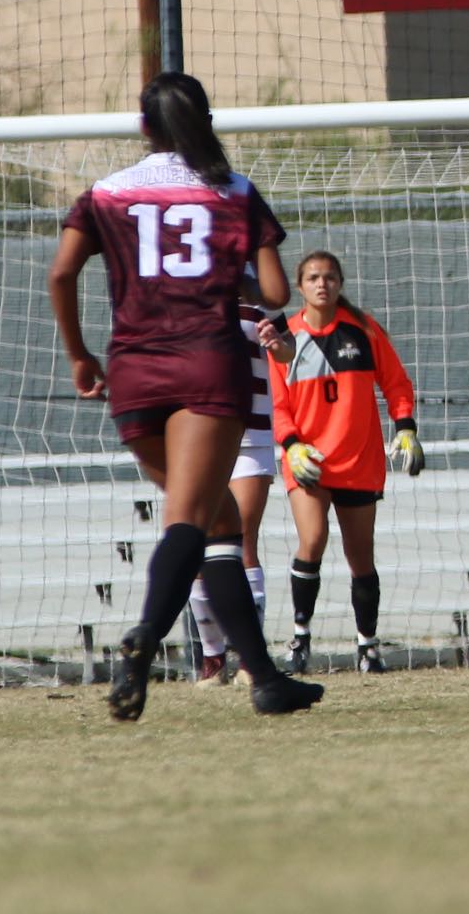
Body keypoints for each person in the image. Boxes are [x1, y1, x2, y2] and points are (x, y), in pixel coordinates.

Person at [45, 72, 325, 720]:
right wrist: (230, 273)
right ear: (204, 119)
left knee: (220, 521)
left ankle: (264, 679)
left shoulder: (106, 193)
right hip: (206, 367)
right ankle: (145, 635)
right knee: (190, 519)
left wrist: (81, 356)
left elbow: (61, 273)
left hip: (133, 371)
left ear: (144, 127)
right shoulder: (233, 191)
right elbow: (278, 295)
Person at [270, 251, 425, 675]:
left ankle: (367, 646)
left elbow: (396, 383)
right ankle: (300, 640)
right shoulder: (283, 336)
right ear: (300, 286)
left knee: (361, 555)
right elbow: (278, 403)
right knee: (313, 538)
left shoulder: (364, 329)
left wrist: (406, 428)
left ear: (340, 283)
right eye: (314, 278)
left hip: (358, 458)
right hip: (308, 459)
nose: (323, 284)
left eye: (331, 277)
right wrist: (292, 445)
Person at [188, 269, 290, 684]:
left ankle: (251, 656)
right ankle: (213, 658)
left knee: (242, 539)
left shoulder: (257, 292)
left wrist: (278, 344)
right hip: (199, 434)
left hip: (252, 432)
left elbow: (287, 351)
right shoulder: (183, 292)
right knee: (198, 544)